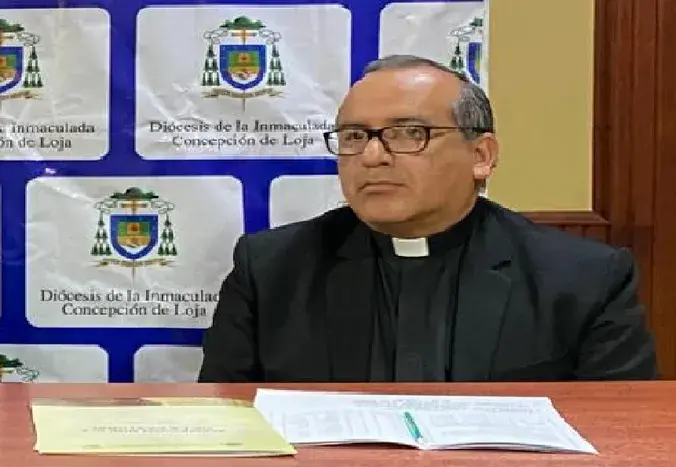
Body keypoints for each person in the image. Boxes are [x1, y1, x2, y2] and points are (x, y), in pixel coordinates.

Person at [198, 54, 658, 383]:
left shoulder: (583, 280)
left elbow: (622, 434)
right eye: (354, 136)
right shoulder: (272, 270)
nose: (372, 156)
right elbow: (224, 426)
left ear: (481, 155)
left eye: (408, 133)